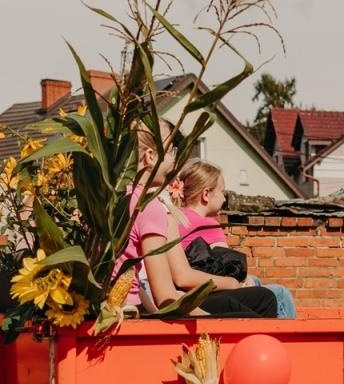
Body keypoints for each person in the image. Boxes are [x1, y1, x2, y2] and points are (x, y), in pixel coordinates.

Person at [116, 126, 276, 319]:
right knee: (262, 305)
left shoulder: (117, 198)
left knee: (260, 299)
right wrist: (210, 321)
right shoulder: (149, 206)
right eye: (171, 151)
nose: (175, 159)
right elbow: (166, 297)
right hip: (128, 310)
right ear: (150, 156)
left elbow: (130, 275)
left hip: (125, 305)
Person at [168, 160, 297, 318]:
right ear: (206, 194)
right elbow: (232, 268)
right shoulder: (207, 225)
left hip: (185, 290)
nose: (224, 198)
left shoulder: (175, 217)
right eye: (222, 191)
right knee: (279, 293)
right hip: (207, 291)